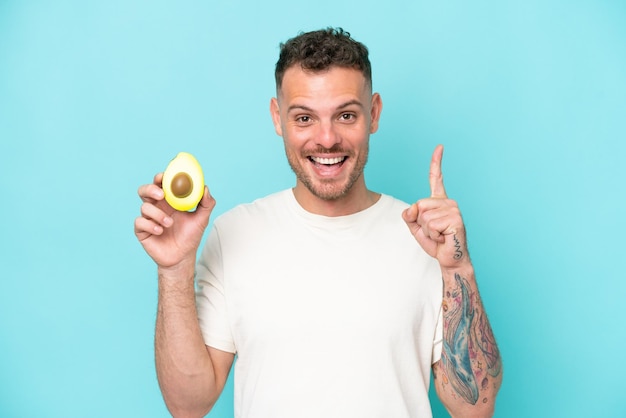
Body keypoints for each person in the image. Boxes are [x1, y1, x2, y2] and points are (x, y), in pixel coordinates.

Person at [135, 27, 502, 418]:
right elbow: (188, 406)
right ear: (278, 118)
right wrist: (174, 270)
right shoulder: (233, 234)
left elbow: (475, 408)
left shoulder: (425, 240)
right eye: (305, 118)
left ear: (373, 114)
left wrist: (457, 267)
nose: (326, 139)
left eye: (345, 115)